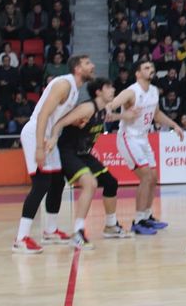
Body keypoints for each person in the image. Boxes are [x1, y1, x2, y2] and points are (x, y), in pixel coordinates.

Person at [12, 55, 95, 254]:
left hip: (47, 135)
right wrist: (39, 147)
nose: (92, 66)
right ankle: (21, 238)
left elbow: (57, 117)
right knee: (41, 183)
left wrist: (74, 121)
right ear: (77, 68)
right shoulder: (64, 84)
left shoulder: (74, 89)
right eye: (87, 63)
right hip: (36, 133)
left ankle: (50, 230)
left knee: (57, 181)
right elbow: (42, 115)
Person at [48, 78, 133, 248]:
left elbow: (109, 116)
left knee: (111, 182)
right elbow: (60, 123)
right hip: (68, 151)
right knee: (90, 183)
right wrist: (52, 139)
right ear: (98, 92)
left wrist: (124, 115)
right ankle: (78, 232)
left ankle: (110, 226)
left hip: (83, 153)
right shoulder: (87, 108)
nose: (113, 89)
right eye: (108, 87)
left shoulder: (103, 109)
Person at [106, 59, 184, 234]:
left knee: (153, 178)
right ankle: (138, 222)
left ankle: (147, 216)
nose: (151, 69)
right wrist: (123, 115)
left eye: (152, 67)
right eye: (146, 67)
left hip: (143, 137)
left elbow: (156, 115)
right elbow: (109, 108)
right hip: (128, 137)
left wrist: (174, 125)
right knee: (146, 176)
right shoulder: (131, 92)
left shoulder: (154, 91)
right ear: (138, 73)